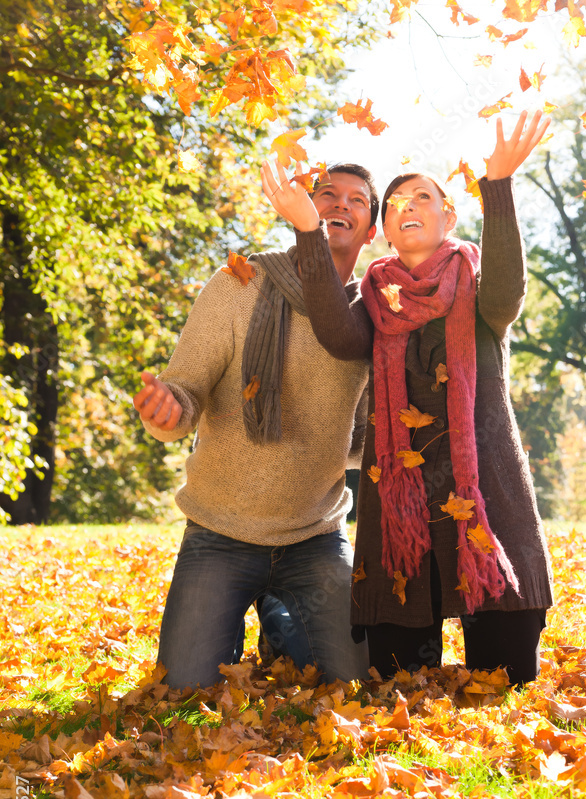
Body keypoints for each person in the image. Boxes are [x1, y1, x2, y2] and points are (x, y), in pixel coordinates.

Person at [133, 163, 378, 689]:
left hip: (316, 535)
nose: (339, 204)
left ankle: (280, 616)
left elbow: (362, 441)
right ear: (304, 210)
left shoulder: (370, 318)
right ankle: (269, 608)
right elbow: (186, 388)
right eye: (327, 194)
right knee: (184, 693)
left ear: (372, 229)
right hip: (219, 533)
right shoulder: (238, 284)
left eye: (357, 200)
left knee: (352, 684)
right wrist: (168, 411)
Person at [349, 111, 555, 685]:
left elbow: (509, 291)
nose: (407, 206)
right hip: (401, 515)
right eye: (394, 203)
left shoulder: (478, 288)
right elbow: (331, 333)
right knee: (396, 686)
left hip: (485, 495)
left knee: (505, 683)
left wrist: (500, 187)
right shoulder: (368, 302)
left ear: (449, 216)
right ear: (384, 228)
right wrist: (307, 233)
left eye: (422, 197)